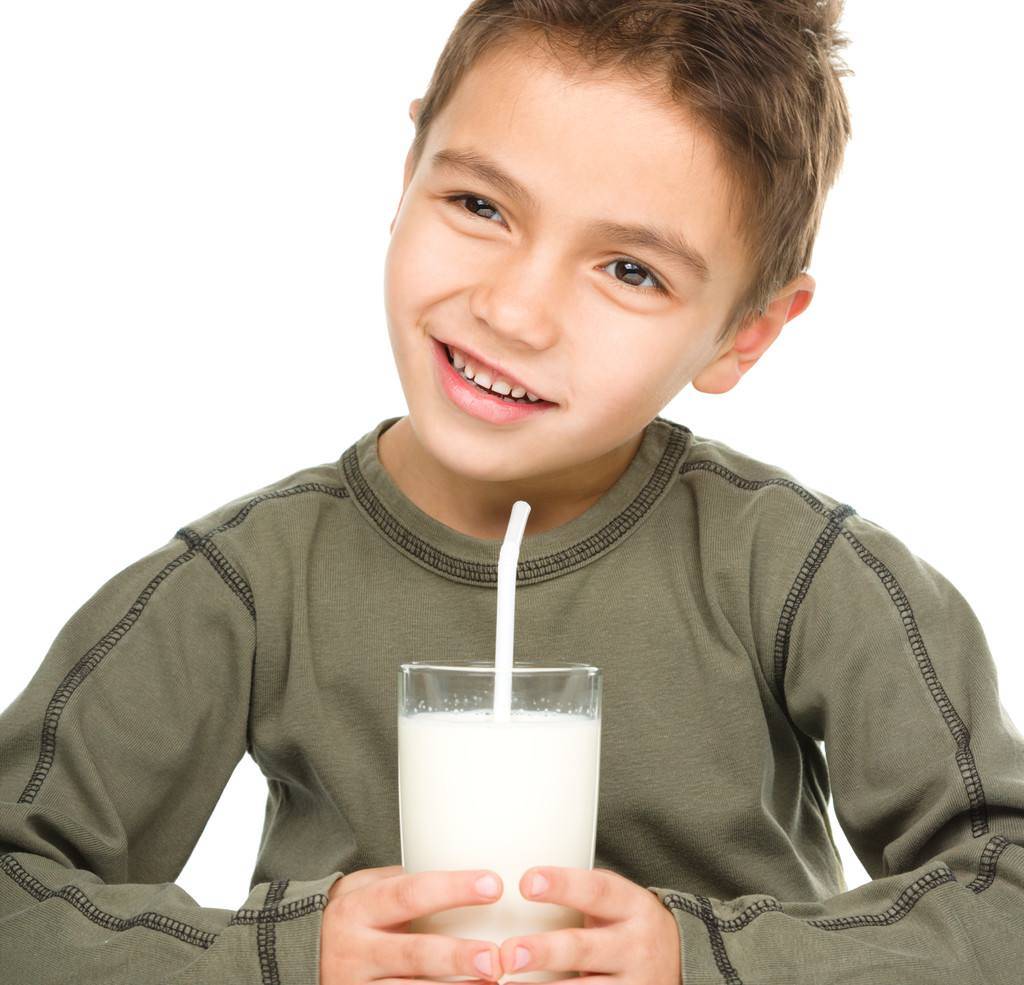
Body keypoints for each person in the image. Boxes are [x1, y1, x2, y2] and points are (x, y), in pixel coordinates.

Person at [2, 2, 1022, 983]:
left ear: (744, 333)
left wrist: (705, 958)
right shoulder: (246, 582)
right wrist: (282, 956)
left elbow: (1005, 889)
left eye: (629, 270)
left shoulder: (795, 571)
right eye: (479, 206)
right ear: (409, 170)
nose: (514, 312)